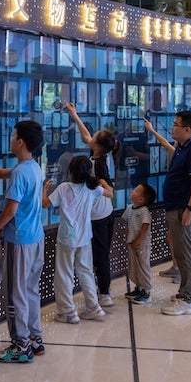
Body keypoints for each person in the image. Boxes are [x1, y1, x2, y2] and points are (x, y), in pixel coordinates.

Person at [0, 120, 46, 362]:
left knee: (14, 293)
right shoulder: (33, 167)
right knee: (30, 289)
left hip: (19, 241)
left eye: (13, 135)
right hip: (36, 239)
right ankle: (34, 338)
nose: (9, 139)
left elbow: (11, 210)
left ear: (20, 142)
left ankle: (20, 346)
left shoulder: (20, 172)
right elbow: (2, 173)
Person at [42, 155, 112, 323]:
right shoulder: (92, 188)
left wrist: (44, 190)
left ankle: (68, 312)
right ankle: (94, 307)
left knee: (64, 274)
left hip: (67, 238)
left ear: (70, 171)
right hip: (85, 237)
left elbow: (45, 204)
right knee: (86, 271)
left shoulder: (64, 187)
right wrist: (101, 181)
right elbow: (110, 193)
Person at [65, 102, 117, 306]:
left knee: (100, 255)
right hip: (104, 215)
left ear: (97, 146)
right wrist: (74, 115)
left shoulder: (97, 165)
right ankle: (103, 289)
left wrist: (98, 186)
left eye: (94, 137)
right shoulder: (102, 154)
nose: (90, 137)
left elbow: (109, 191)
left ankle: (104, 293)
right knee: (100, 254)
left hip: (99, 217)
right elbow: (86, 135)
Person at [160, 110, 191, 316]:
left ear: (187, 129)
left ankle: (186, 299)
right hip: (177, 206)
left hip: (184, 208)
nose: (172, 127)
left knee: (184, 253)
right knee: (189, 250)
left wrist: (190, 208)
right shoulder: (183, 146)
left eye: (175, 124)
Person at [144, 118, 180, 279]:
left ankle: (181, 270)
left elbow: (165, 143)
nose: (172, 128)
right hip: (172, 198)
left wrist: (152, 130)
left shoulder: (179, 153)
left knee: (176, 236)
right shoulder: (179, 150)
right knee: (171, 235)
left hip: (177, 201)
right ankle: (176, 266)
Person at [122, 183, 156, 304]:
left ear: (141, 199)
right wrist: (129, 239)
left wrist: (137, 241)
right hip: (132, 244)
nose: (132, 191)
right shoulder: (129, 209)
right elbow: (127, 225)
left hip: (142, 245)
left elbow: (145, 227)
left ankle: (147, 292)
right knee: (134, 267)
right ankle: (139, 288)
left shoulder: (144, 211)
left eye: (136, 191)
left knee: (143, 267)